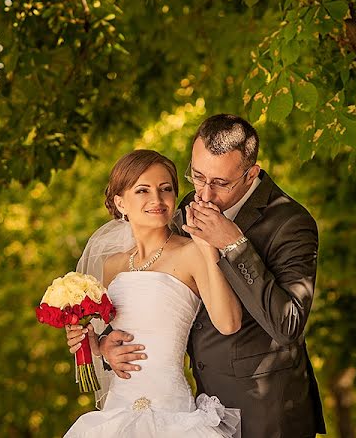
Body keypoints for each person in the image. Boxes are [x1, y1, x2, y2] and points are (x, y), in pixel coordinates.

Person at [68, 114, 326, 438]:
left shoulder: (290, 223)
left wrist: (233, 244)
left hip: (266, 407)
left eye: (219, 183)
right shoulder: (189, 204)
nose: (203, 193)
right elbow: (156, 297)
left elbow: (288, 324)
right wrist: (105, 344)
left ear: (250, 174)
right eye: (196, 176)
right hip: (199, 404)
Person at [64, 149, 242, 437]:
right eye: (142, 190)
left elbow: (229, 323)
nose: (157, 200)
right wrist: (99, 346)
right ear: (120, 202)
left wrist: (210, 253)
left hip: (171, 413)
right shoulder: (112, 266)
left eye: (166, 189)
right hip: (117, 409)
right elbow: (103, 338)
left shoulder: (192, 252)